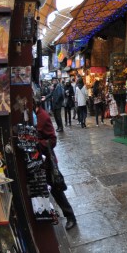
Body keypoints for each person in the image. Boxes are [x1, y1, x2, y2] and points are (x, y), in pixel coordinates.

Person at [34, 97, 76, 230]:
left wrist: (37, 143)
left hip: (48, 162)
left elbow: (52, 140)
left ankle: (70, 216)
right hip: (36, 162)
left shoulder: (43, 116)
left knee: (57, 190)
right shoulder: (32, 117)